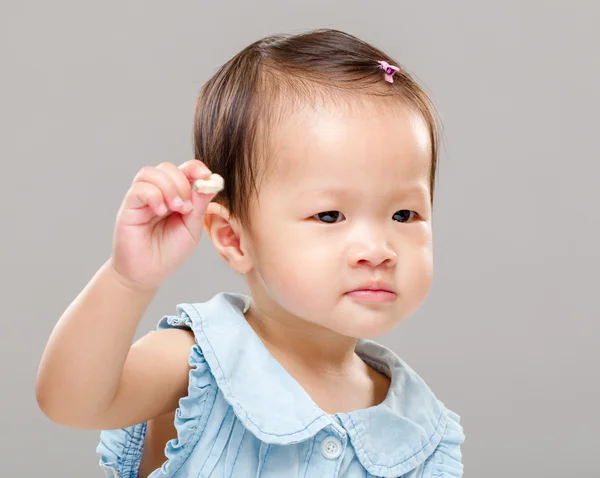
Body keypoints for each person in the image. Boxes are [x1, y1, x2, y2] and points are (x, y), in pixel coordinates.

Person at [36, 28, 465, 477]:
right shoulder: (202, 363)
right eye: (330, 215)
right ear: (233, 239)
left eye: (403, 215)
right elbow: (70, 402)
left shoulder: (420, 432)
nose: (378, 251)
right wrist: (129, 279)